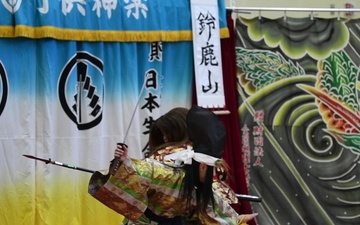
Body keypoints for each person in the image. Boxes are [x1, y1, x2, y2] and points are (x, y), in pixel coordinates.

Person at [88, 106, 257, 225]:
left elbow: (209, 202)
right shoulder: (167, 166)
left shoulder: (196, 160)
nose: (166, 142)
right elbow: (213, 203)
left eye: (167, 136)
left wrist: (125, 166)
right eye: (164, 138)